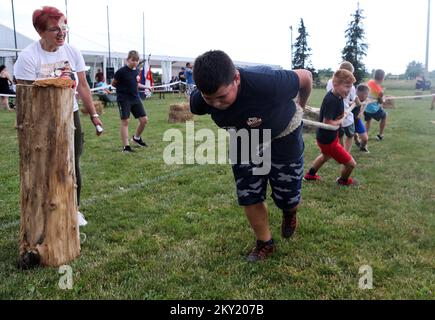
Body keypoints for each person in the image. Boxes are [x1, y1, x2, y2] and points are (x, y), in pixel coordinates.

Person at [190, 50, 312, 262]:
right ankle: (265, 242)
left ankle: (289, 212)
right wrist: (211, 100)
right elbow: (208, 101)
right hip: (244, 138)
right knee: (249, 194)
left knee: (288, 197)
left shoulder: (268, 81)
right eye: (209, 98)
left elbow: (306, 77)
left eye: (221, 96)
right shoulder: (199, 101)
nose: (216, 103)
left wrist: (301, 104)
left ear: (236, 78)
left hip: (283, 134)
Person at [13, 6, 103, 226]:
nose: (62, 33)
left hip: (69, 114)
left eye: (64, 27)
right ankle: (43, 209)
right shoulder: (28, 58)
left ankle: (74, 209)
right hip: (40, 119)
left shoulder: (72, 52)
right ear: (40, 32)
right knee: (43, 164)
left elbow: (82, 86)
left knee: (73, 162)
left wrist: (93, 115)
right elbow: (25, 97)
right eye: (55, 29)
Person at [304, 69, 358, 186]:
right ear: (335, 84)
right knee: (351, 164)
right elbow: (327, 122)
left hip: (326, 137)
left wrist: (352, 104)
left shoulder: (338, 96)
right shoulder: (331, 100)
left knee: (325, 156)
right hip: (328, 140)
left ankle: (310, 175)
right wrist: (339, 121)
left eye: (351, 87)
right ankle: (343, 181)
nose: (349, 91)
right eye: (347, 87)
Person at [111, 50, 149, 153]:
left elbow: (135, 84)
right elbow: (113, 84)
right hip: (124, 99)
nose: (135, 62)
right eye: (133, 60)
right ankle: (126, 147)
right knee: (125, 121)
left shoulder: (136, 71)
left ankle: (136, 139)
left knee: (144, 120)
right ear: (128, 59)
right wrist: (123, 89)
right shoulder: (121, 71)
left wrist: (146, 87)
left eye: (137, 61)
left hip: (135, 98)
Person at [326, 62, 355, 153]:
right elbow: (352, 100)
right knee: (350, 135)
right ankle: (346, 153)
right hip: (346, 115)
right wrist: (356, 102)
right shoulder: (352, 86)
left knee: (339, 135)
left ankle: (341, 152)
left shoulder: (331, 81)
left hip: (334, 114)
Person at [364, 69, 387, 141]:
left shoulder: (370, 82)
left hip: (365, 107)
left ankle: (365, 136)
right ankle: (380, 135)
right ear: (382, 78)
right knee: (384, 116)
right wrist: (384, 99)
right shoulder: (379, 90)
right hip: (372, 109)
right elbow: (381, 102)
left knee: (368, 120)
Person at [353, 84, 370, 152]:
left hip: (357, 120)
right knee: (353, 135)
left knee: (365, 138)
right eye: (358, 96)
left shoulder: (366, 100)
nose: (360, 98)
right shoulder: (353, 99)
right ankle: (356, 140)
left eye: (363, 96)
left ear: (366, 95)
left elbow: (360, 113)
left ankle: (362, 147)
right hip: (349, 120)